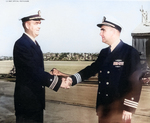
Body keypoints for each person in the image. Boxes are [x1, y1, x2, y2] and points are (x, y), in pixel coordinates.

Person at [51, 16, 143, 123]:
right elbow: (90, 70)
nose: (100, 33)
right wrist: (71, 79)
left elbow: (136, 82)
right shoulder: (104, 53)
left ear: (113, 31)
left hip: (120, 110)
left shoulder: (130, 52)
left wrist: (129, 108)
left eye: (103, 30)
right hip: (103, 109)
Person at [13, 10, 71, 123]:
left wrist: (50, 75)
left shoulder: (34, 44)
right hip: (27, 104)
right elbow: (33, 72)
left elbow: (35, 71)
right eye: (36, 23)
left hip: (35, 102)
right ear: (27, 24)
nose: (39, 26)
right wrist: (60, 83)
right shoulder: (22, 44)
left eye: (40, 23)